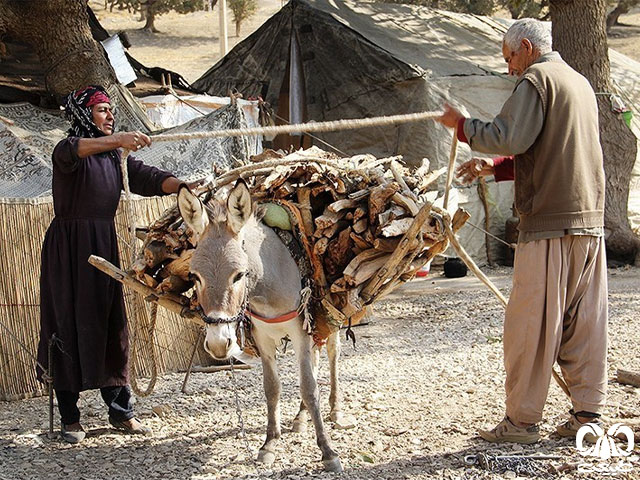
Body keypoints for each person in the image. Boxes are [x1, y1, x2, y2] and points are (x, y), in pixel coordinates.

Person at [435, 19, 608, 444]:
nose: (509, 68)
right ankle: (588, 416)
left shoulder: (537, 79)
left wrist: (462, 125)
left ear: (527, 48)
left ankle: (522, 423)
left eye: (509, 57)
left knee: (532, 325)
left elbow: (509, 135)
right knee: (582, 323)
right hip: (588, 222)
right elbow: (547, 146)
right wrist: (493, 167)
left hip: (549, 225)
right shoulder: (579, 83)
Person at [36, 85, 191, 444]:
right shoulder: (68, 150)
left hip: (102, 244)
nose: (110, 115)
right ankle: (71, 418)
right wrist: (119, 139)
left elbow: (150, 177)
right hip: (68, 249)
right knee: (67, 322)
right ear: (83, 114)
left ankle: (121, 412)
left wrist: (183, 187)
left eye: (110, 110)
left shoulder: (113, 159)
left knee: (110, 320)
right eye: (102, 110)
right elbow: (76, 148)